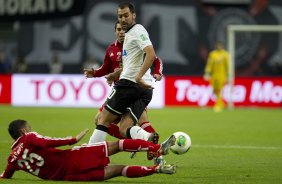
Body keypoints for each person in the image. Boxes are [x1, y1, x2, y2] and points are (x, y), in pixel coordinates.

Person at [87, 3, 165, 161]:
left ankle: (89, 158)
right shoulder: (128, 37)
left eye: (126, 15)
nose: (123, 19)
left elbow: (151, 55)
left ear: (134, 15)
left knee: (102, 119)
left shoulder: (138, 31)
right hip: (145, 90)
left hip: (129, 85)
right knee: (124, 128)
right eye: (120, 16)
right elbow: (130, 64)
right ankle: (148, 138)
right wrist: (112, 74)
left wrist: (138, 76)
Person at [1, 120, 176, 181]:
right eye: (28, 127)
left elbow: (5, 176)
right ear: (23, 131)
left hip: (69, 177)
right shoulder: (28, 137)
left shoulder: (12, 160)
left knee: (119, 170)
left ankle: (156, 169)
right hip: (73, 158)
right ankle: (157, 148)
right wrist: (73, 139)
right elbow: (47, 143)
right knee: (117, 145)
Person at [204, 41, 229, 112]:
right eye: (218, 46)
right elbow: (210, 64)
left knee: (220, 90)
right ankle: (222, 103)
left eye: (220, 46)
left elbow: (228, 66)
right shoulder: (213, 54)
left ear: (222, 46)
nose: (219, 47)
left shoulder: (225, 54)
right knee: (215, 90)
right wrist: (207, 72)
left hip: (222, 75)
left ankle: (218, 105)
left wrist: (228, 75)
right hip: (214, 75)